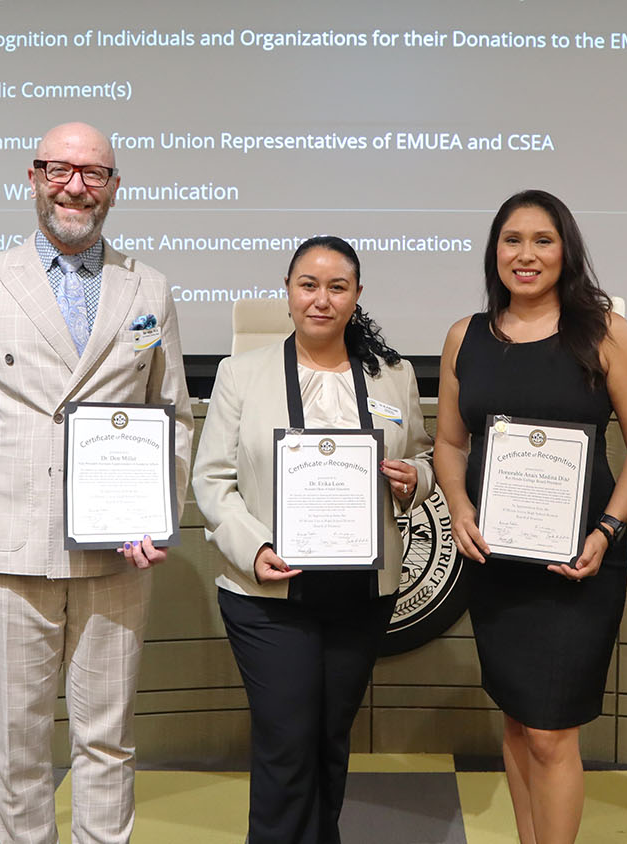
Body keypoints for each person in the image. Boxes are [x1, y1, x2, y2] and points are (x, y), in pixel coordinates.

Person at [0, 122, 193, 844]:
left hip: (117, 553)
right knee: (18, 750)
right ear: (33, 175)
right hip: (7, 551)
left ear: (114, 187)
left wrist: (157, 519)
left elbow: (171, 419)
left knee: (108, 742)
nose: (75, 185)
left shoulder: (151, 288)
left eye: (93, 173)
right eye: (60, 169)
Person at [434, 189, 627, 844]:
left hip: (578, 565)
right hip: (497, 562)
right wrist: (459, 507)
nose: (525, 254)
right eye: (512, 240)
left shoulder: (606, 333)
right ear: (493, 251)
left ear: (567, 251)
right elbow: (450, 442)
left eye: (542, 240)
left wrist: (608, 528)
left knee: (551, 730)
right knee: (516, 719)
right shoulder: (464, 336)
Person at [193, 236, 434, 843]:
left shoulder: (393, 375)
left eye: (337, 287)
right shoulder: (239, 373)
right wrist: (253, 548)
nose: (321, 299)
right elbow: (212, 480)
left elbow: (425, 455)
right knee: (286, 741)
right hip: (266, 593)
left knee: (329, 738)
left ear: (356, 296)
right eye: (308, 285)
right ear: (288, 292)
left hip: (362, 594)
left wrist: (416, 479)